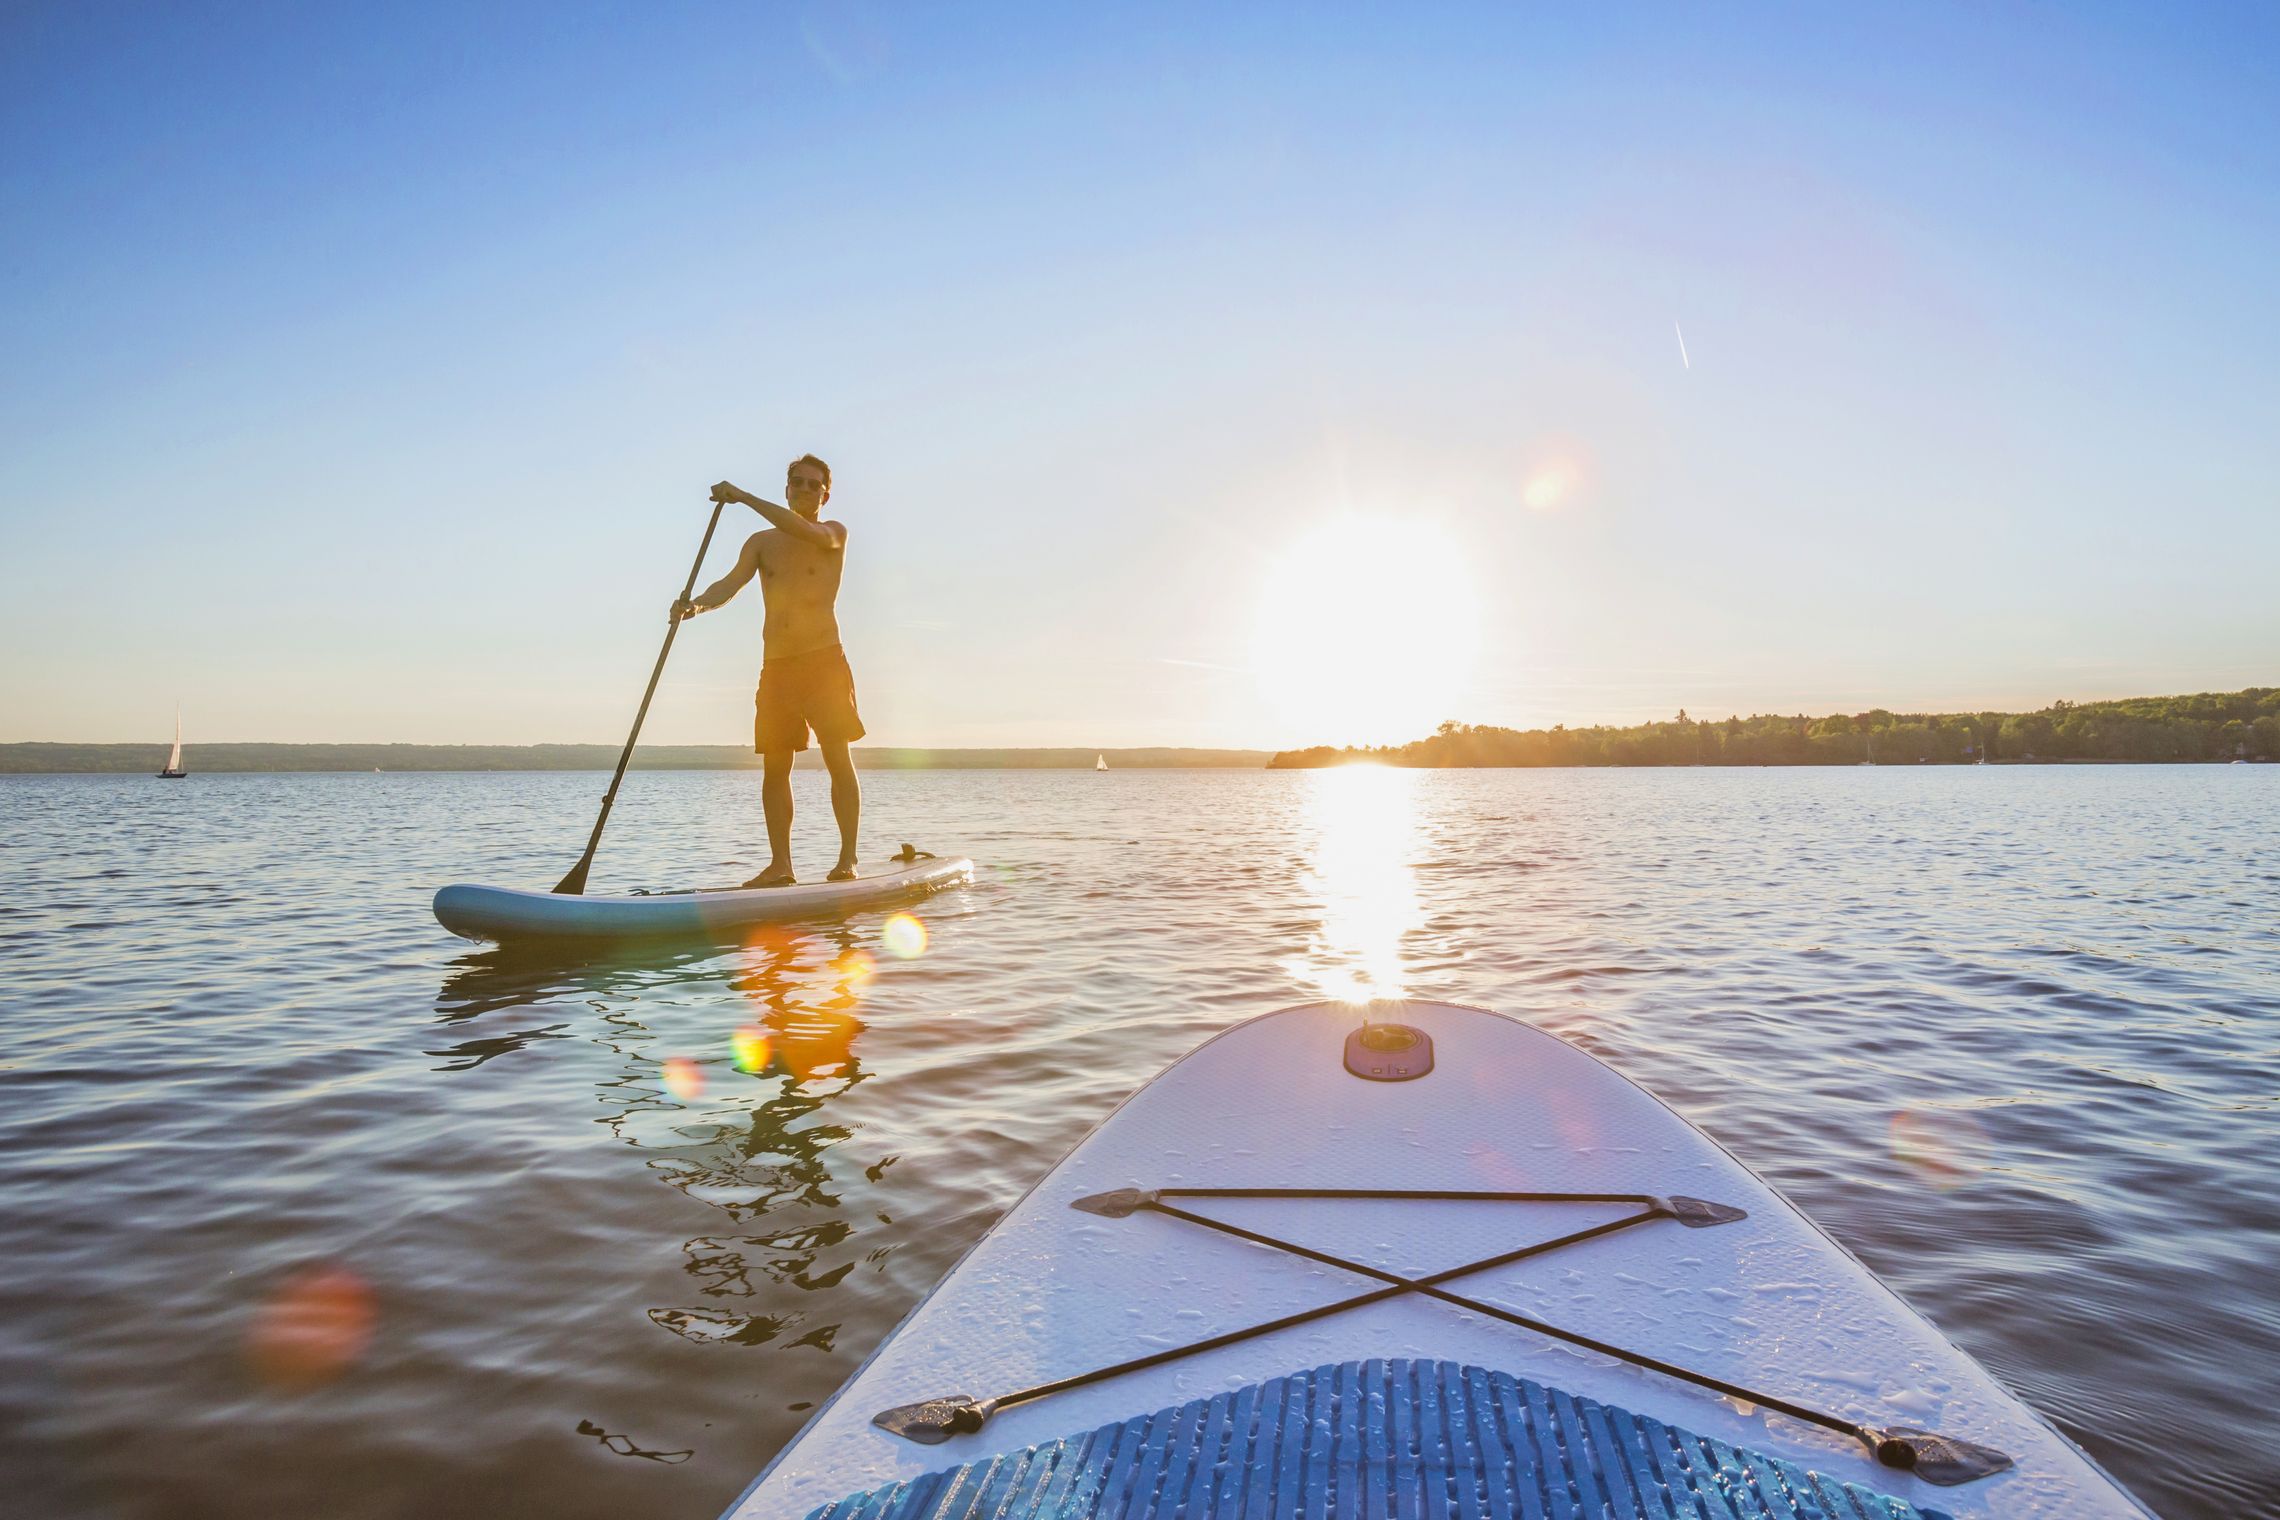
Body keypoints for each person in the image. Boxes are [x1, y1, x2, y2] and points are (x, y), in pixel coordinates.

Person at [672, 454, 864, 885]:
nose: (804, 489)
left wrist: (742, 496)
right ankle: (781, 867)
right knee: (775, 768)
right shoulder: (761, 543)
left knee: (837, 757)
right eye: (797, 482)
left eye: (814, 484)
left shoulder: (832, 533)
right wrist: (696, 605)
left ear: (825, 494)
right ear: (787, 487)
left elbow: (801, 528)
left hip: (824, 662)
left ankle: (847, 859)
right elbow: (729, 584)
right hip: (777, 668)